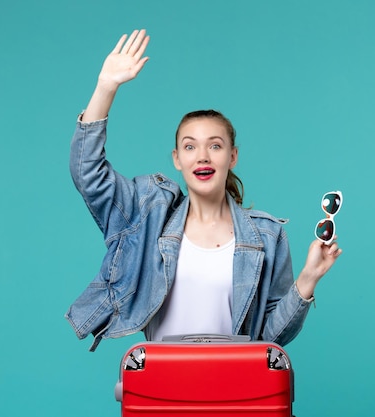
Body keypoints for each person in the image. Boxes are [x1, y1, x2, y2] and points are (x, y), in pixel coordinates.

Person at [65, 29, 342, 351]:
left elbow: (269, 342)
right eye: (190, 146)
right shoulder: (148, 214)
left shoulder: (267, 235)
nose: (202, 156)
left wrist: (308, 279)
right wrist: (106, 87)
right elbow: (87, 173)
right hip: (161, 385)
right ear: (177, 159)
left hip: (237, 388)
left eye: (215, 145)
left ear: (232, 157)